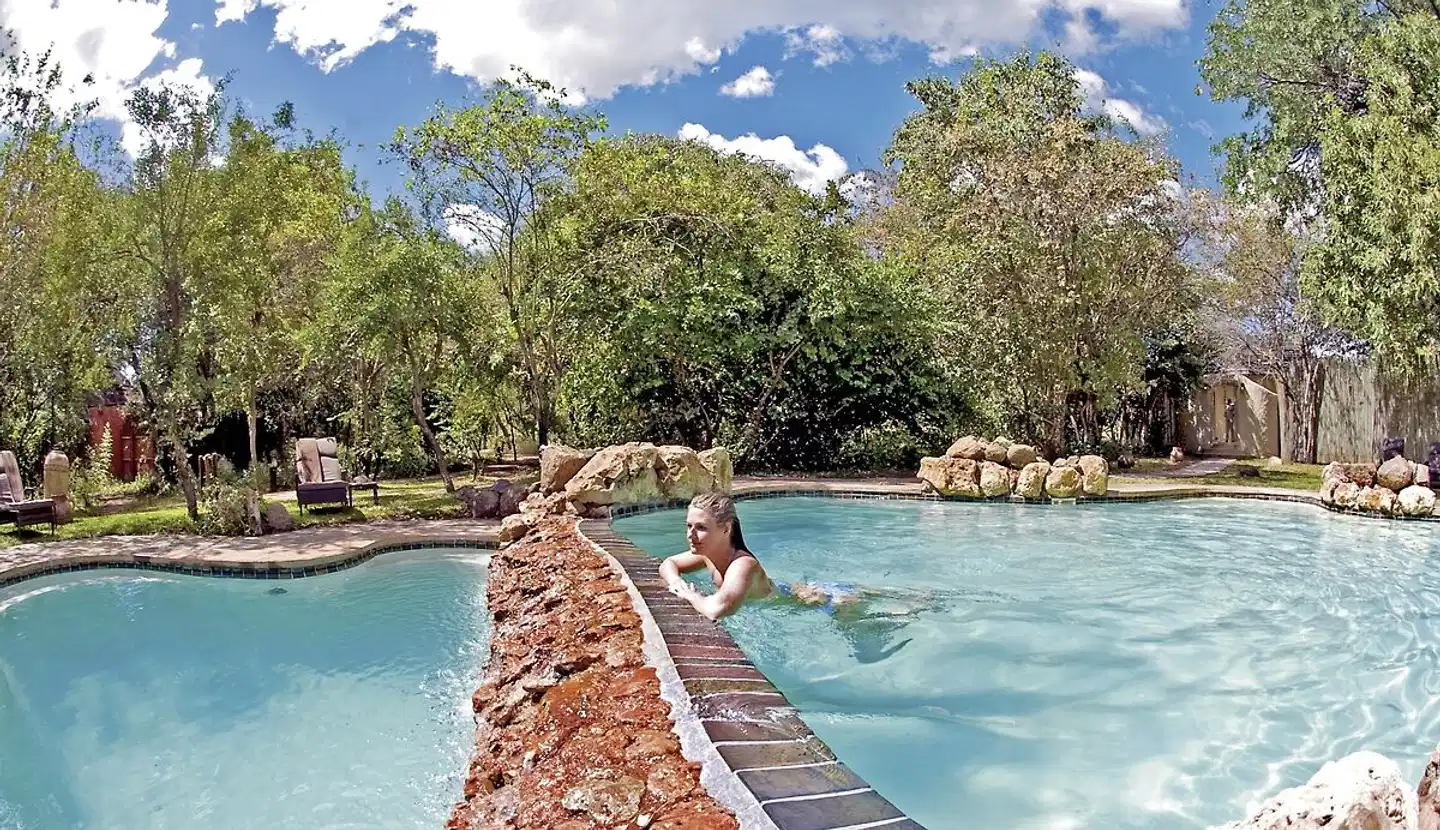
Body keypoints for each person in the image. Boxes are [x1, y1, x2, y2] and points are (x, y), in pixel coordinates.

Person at [661, 492, 872, 621]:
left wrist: (691, 596)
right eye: (688, 526)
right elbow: (668, 564)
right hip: (789, 589)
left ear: (725, 529)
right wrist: (676, 582)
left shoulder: (743, 565)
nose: (691, 534)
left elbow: (716, 610)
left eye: (701, 527)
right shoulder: (707, 554)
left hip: (817, 601)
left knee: (870, 615)